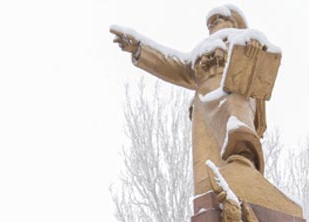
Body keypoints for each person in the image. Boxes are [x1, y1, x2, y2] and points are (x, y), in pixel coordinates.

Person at [110, 5, 273, 172]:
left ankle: (244, 163)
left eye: (219, 20)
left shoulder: (241, 40)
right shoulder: (200, 52)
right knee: (205, 157)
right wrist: (139, 48)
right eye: (211, 24)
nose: (213, 25)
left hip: (234, 92)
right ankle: (209, 185)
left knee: (235, 120)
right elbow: (172, 64)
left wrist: (255, 44)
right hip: (203, 103)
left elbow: (264, 59)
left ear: (234, 22)